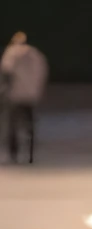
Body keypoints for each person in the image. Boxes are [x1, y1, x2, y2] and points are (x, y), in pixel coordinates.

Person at [2, 29, 47, 163]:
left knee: (12, 126)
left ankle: (13, 154)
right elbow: (42, 73)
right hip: (31, 95)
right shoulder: (36, 55)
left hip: (15, 95)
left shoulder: (11, 53)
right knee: (30, 125)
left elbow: (6, 72)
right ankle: (30, 153)